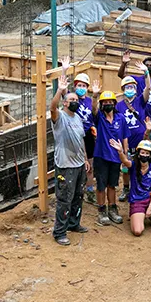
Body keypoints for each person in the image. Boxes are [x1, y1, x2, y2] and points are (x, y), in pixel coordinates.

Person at [50, 75, 90, 245]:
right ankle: (59, 232)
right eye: (71, 99)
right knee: (64, 199)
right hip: (66, 166)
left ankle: (74, 224)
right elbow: (52, 107)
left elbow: (81, 140)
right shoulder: (60, 118)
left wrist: (86, 159)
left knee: (78, 196)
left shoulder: (78, 118)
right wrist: (60, 90)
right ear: (65, 103)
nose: (75, 101)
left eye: (76, 99)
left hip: (80, 164)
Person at [110, 139, 151, 236]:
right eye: (142, 152)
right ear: (138, 153)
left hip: (149, 198)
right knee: (137, 231)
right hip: (137, 201)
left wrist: (150, 207)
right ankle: (139, 215)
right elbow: (125, 161)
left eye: (147, 153)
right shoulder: (133, 165)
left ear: (150, 155)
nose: (144, 155)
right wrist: (120, 151)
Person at [91, 83, 129, 226]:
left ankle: (112, 209)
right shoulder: (99, 117)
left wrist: (125, 152)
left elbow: (125, 136)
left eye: (110, 102)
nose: (108, 104)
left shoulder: (121, 119)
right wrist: (95, 95)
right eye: (105, 102)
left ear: (114, 103)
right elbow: (93, 110)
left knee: (112, 185)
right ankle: (101, 210)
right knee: (101, 185)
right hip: (101, 156)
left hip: (116, 157)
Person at [116, 67, 151, 202]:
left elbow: (148, 88)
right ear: (123, 89)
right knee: (125, 166)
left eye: (132, 87)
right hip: (126, 140)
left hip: (140, 140)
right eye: (127, 87)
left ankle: (139, 188)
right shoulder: (118, 105)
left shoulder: (140, 101)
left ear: (136, 89)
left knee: (140, 165)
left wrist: (146, 73)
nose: (130, 89)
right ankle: (126, 188)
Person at [118, 51, 151, 123]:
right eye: (147, 65)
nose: (148, 67)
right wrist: (124, 63)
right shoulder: (136, 80)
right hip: (138, 115)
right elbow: (121, 75)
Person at [72, 72, 96, 203]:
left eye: (83, 85)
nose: (81, 87)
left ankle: (90, 190)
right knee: (77, 165)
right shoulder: (73, 100)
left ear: (87, 87)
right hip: (75, 135)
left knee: (90, 166)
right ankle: (77, 191)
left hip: (88, 135)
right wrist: (64, 70)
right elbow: (64, 92)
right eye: (78, 85)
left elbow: (95, 112)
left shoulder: (90, 101)